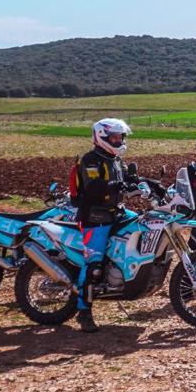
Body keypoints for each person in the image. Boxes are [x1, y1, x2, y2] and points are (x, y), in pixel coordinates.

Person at [68, 117, 132, 333]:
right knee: (93, 265)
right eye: (114, 137)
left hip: (115, 213)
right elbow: (95, 188)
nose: (118, 140)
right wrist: (118, 184)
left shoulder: (114, 159)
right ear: (102, 137)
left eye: (120, 137)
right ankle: (83, 310)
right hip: (95, 217)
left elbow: (122, 184)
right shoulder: (91, 160)